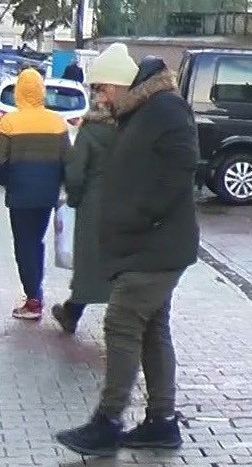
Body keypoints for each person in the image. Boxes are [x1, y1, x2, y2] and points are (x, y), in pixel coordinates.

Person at [56, 44, 200, 458]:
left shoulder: (166, 108)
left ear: (120, 82)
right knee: (153, 329)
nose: (100, 97)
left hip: (155, 245)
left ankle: (108, 421)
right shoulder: (140, 111)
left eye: (102, 89)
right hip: (147, 243)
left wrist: (144, 217)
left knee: (121, 323)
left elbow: (181, 168)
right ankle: (161, 422)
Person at [0, 67, 71, 319]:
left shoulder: (8, 122)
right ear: (41, 91)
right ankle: (35, 291)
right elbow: (68, 161)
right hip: (46, 196)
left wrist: (8, 181)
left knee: (23, 244)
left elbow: (1, 160)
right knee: (36, 242)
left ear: (19, 90)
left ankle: (33, 299)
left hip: (19, 195)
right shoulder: (56, 122)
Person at [51, 84, 118, 333]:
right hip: (123, 201)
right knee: (117, 261)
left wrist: (74, 199)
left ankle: (72, 312)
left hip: (93, 203)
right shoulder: (130, 127)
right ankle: (118, 318)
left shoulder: (92, 129)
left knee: (89, 261)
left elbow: (76, 171)